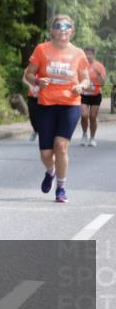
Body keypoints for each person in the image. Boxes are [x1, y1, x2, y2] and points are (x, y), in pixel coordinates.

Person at [23, 15, 91, 203]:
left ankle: (61, 188)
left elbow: (86, 78)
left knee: (60, 146)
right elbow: (29, 74)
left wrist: (82, 87)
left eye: (67, 26)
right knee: (46, 153)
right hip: (45, 105)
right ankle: (50, 171)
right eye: (58, 26)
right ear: (52, 30)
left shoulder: (78, 53)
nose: (62, 29)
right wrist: (37, 80)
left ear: (72, 31)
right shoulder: (42, 50)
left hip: (70, 104)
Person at [78, 47, 106, 147]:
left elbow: (102, 84)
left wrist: (99, 75)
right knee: (84, 115)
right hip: (84, 94)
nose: (87, 56)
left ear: (94, 54)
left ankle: (92, 138)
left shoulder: (99, 66)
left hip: (95, 95)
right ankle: (84, 134)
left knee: (93, 117)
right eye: (86, 54)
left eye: (89, 54)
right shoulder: (81, 65)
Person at [21, 74, 41, 142]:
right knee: (32, 116)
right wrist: (30, 85)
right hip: (32, 97)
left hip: (44, 96)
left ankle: (45, 135)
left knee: (43, 116)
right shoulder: (31, 67)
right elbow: (24, 79)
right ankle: (35, 130)